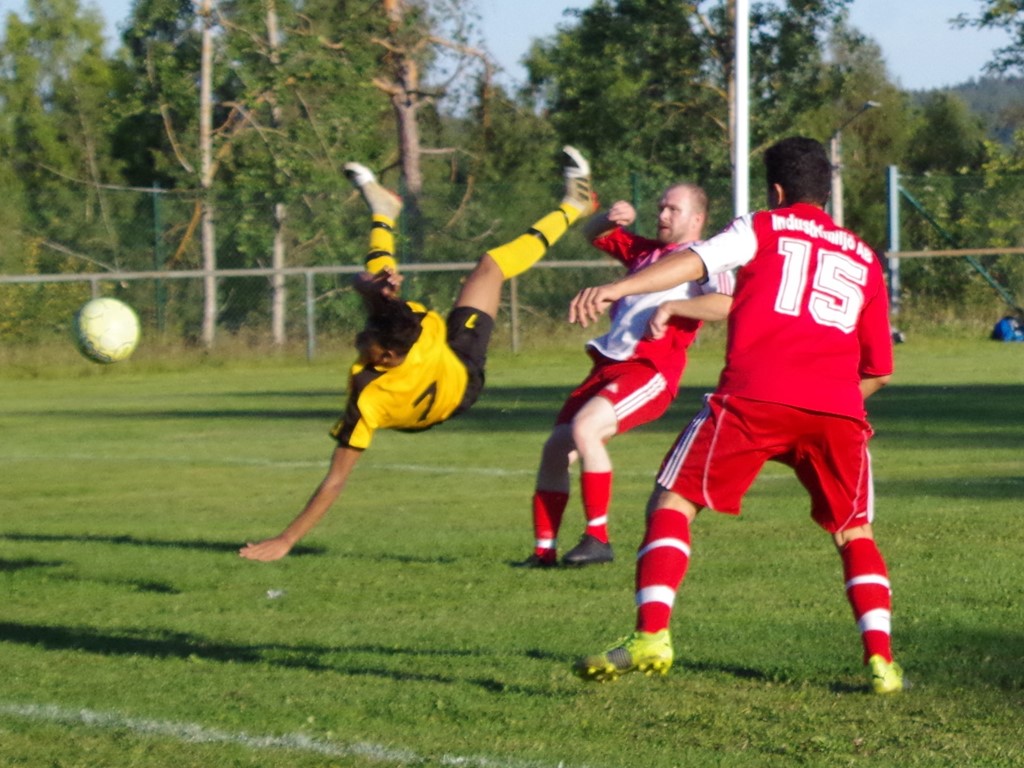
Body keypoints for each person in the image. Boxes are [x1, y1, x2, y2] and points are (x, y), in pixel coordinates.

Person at [568, 136, 903, 694]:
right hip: (839, 409)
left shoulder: (764, 227)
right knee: (854, 531)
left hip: (754, 397)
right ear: (827, 189)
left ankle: (652, 635)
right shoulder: (865, 256)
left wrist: (617, 287)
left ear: (775, 190)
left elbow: (694, 259)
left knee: (673, 499)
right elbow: (880, 370)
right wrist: (828, 400)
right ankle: (882, 664)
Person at [239, 146, 596, 562]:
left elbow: (335, 480)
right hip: (450, 370)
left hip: (459, 379)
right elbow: (370, 293)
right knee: (469, 270)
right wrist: (372, 286)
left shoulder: (368, 390)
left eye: (367, 340)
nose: (358, 339)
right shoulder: (418, 323)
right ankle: (569, 205)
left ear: (389, 357)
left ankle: (573, 204)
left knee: (480, 266)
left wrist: (285, 540)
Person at [519, 186, 734, 568]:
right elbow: (593, 234)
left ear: (697, 219)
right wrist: (610, 216)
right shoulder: (646, 251)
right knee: (555, 448)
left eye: (674, 209)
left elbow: (726, 303)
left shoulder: (707, 260)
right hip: (607, 365)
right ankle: (543, 552)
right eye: (661, 207)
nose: (663, 215)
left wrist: (673, 306)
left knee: (586, 429)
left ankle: (597, 538)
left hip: (650, 369)